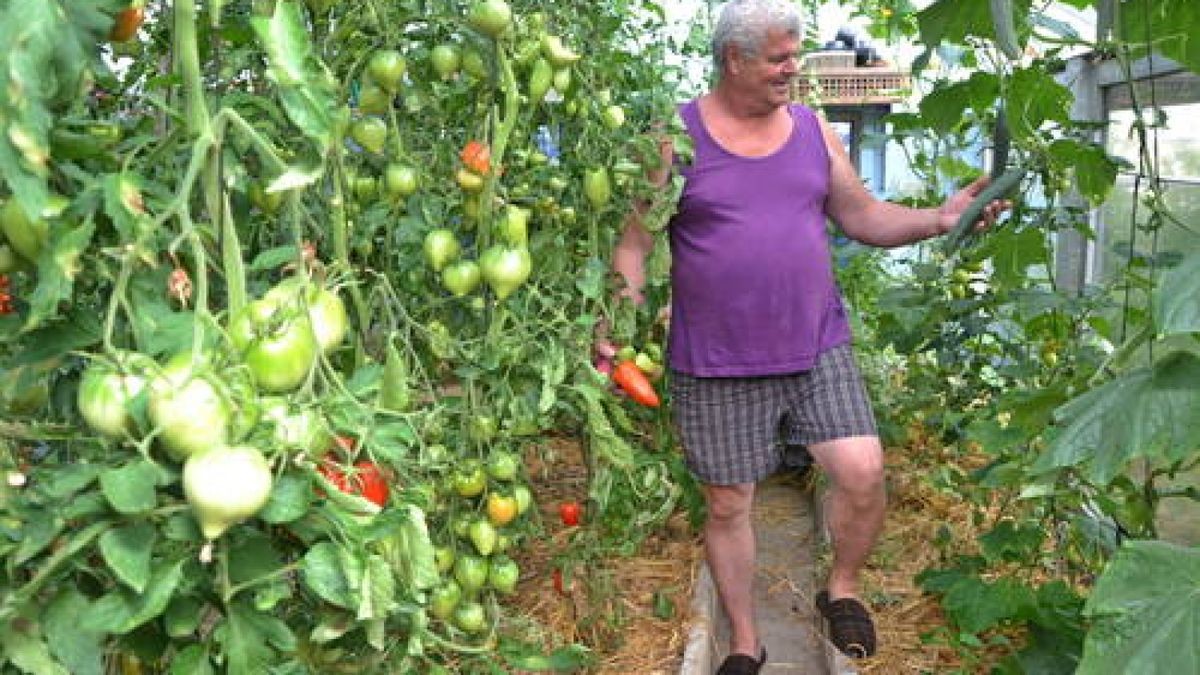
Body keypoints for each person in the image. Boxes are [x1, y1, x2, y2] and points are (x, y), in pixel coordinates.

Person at [606, 1, 1009, 673]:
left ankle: (840, 586)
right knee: (730, 503)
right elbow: (634, 246)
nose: (794, 68)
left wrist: (940, 218)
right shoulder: (671, 141)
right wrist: (615, 328)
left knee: (862, 470)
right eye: (779, 58)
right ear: (733, 59)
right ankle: (744, 639)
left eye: (796, 53)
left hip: (816, 344)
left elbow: (863, 215)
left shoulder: (812, 130)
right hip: (717, 357)